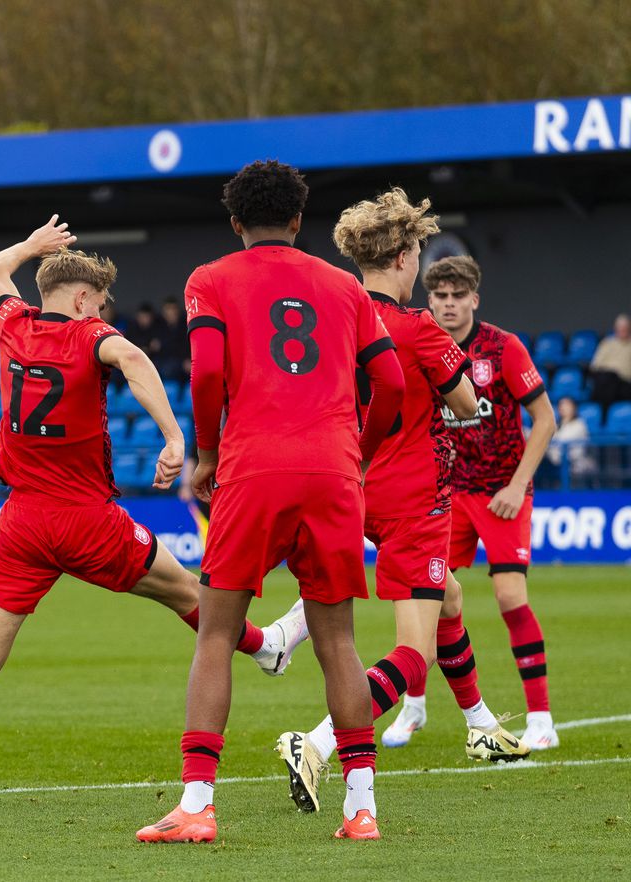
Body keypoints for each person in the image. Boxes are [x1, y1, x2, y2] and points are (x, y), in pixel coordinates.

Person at [0, 216, 306, 812]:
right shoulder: (92, 335)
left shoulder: (13, 324)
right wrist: (174, 438)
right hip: (87, 519)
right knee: (196, 599)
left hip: (20, 524)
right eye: (102, 302)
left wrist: (32, 246)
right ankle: (268, 648)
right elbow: (137, 362)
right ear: (86, 298)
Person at [137, 160, 405, 844]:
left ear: (235, 223)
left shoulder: (211, 279)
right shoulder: (346, 286)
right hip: (333, 472)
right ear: (297, 219)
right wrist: (358, 453)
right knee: (339, 641)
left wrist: (205, 452)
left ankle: (197, 805)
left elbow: (205, 370)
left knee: (217, 634)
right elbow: (393, 386)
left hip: (254, 464)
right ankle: (361, 810)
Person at [277, 189, 528, 817]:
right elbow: (470, 404)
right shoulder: (416, 328)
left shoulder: (330, 315)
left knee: (449, 598)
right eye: (417, 253)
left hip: (344, 484)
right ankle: (318, 742)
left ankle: (479, 724)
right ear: (403, 259)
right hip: (414, 496)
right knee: (412, 653)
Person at [413, 255, 559, 750]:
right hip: (446, 494)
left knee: (510, 598)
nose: (449, 305)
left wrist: (517, 486)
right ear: (429, 301)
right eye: (440, 297)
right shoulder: (422, 344)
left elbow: (545, 419)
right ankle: (413, 706)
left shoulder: (503, 348)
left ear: (474, 299)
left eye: (458, 296)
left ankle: (541, 717)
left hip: (501, 492)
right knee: (427, 599)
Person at [545, 396, 596, 483]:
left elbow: (562, 441)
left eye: (567, 405)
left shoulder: (579, 424)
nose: (563, 407)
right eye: (561, 405)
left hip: (575, 465)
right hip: (555, 464)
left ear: (574, 408)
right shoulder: (556, 425)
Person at [589, 314, 631, 411]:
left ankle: (604, 413)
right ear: (615, 329)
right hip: (606, 378)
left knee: (611, 378)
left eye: (624, 327)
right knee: (606, 378)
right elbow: (595, 365)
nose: (622, 330)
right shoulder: (607, 343)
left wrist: (615, 371)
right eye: (619, 327)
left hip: (624, 382)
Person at [157, 296, 190, 383]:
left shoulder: (186, 325)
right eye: (168, 309)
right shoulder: (158, 325)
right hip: (164, 363)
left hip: (182, 362)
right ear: (164, 312)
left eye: (173, 309)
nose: (171, 312)